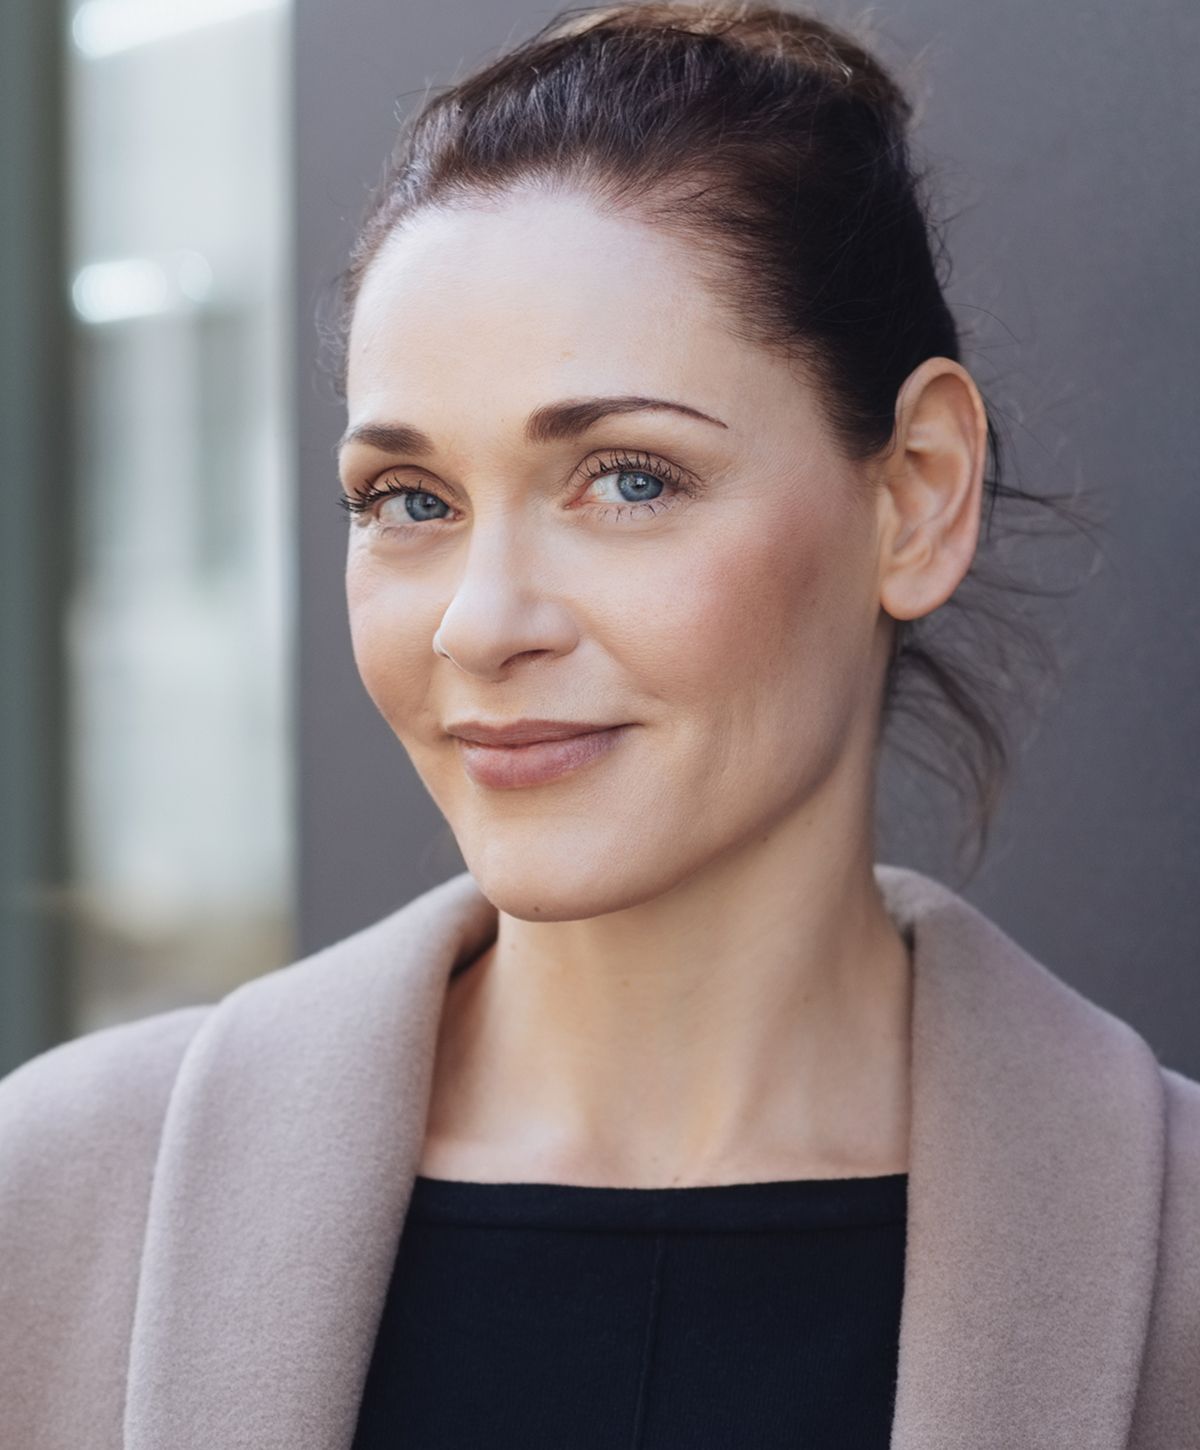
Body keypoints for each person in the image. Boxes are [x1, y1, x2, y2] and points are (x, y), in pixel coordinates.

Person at [2, 3, 1197, 1447]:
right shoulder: (56, 1205)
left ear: (918, 492)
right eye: (410, 501)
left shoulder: (1173, 1264)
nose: (480, 622)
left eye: (627, 478)